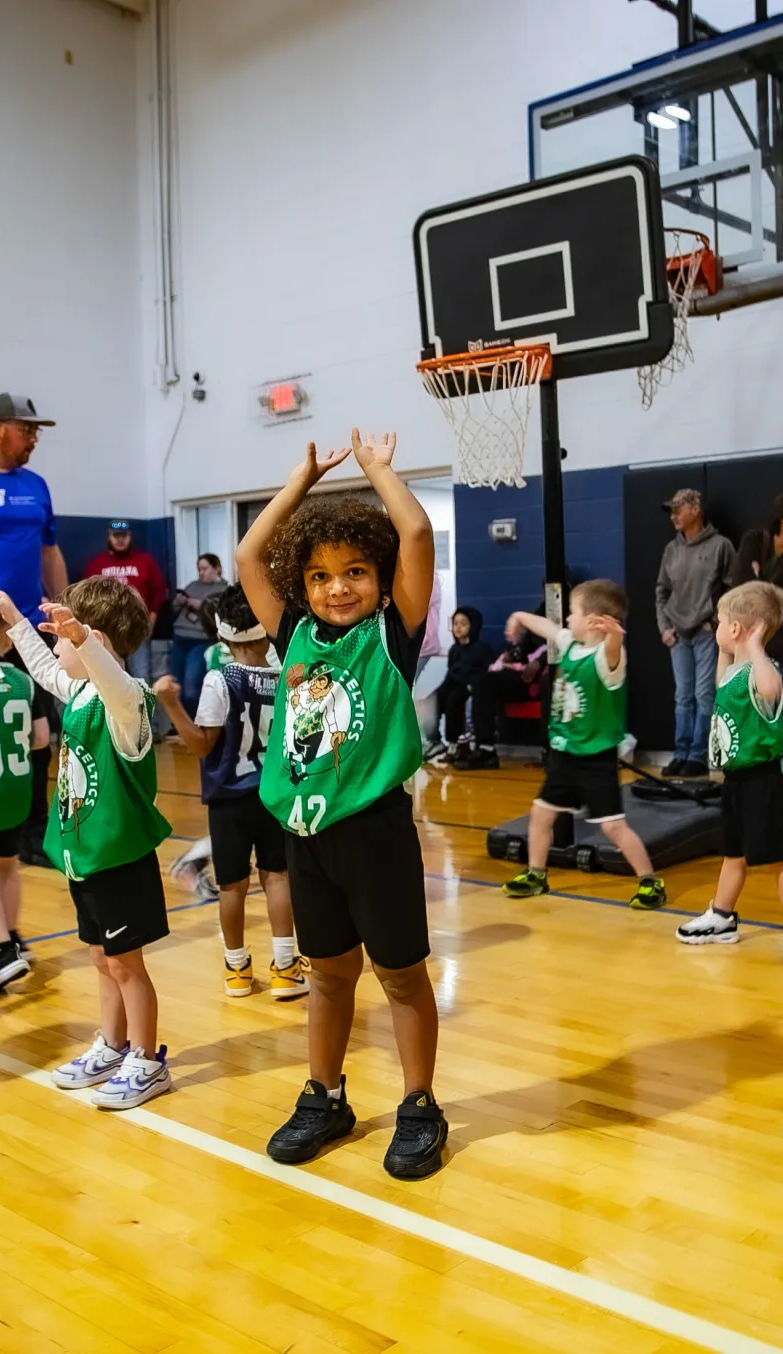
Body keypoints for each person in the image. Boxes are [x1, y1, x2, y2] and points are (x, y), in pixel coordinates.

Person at [237, 428, 448, 1180]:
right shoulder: (293, 632)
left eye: (355, 571)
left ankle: (420, 1103)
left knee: (400, 976)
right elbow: (247, 557)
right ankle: (325, 1096)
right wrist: (300, 478)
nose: (337, 588)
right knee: (327, 975)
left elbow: (416, 530)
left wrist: (377, 470)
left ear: (380, 577)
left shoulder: (393, 633)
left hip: (375, 834)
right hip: (306, 836)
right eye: (321, 576)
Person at [0, 577, 174, 1105]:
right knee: (101, 958)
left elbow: (113, 683)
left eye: (63, 638)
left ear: (95, 642)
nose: (56, 646)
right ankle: (113, 1044)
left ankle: (147, 1058)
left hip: (119, 858)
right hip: (83, 855)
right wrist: (15, 621)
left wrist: (83, 641)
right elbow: (45, 671)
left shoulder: (126, 700)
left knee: (127, 964)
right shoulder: (83, 692)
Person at [154, 583, 307, 1000]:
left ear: (221, 635)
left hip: (229, 796)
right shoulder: (285, 676)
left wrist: (170, 705)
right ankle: (286, 966)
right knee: (277, 878)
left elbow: (202, 745)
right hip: (273, 792)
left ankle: (237, 968)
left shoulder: (220, 679)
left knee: (232, 886)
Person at [501, 580, 667, 912]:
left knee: (612, 826)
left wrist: (615, 634)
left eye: (572, 612)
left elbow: (614, 651)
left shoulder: (606, 662)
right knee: (540, 815)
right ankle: (536, 874)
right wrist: (519, 615)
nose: (566, 620)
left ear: (593, 620)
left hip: (595, 760)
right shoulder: (571, 646)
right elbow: (547, 627)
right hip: (564, 756)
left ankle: (650, 881)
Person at [675, 581, 783, 964]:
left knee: (778, 858)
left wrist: (755, 646)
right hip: (733, 782)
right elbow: (723, 679)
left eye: (720, 622)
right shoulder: (735, 670)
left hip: (762, 781)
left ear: (736, 628)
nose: (715, 627)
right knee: (733, 854)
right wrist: (736, 647)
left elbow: (770, 690)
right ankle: (722, 918)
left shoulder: (761, 670)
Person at [0, 393, 67, 867]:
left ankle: (32, 835)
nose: (34, 438)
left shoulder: (36, 486)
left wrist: (65, 610)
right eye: (26, 428)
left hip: (28, 634)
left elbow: (49, 553)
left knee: (38, 736)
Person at [0, 597, 50, 992]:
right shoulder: (24, 681)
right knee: (8, 866)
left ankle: (1, 952)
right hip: (17, 789)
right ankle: (15, 937)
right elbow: (41, 739)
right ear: (7, 639)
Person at [656, 489, 735, 779]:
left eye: (678, 509)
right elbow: (661, 591)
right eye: (671, 511)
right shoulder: (671, 550)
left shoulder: (721, 546)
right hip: (678, 635)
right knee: (682, 696)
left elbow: (732, 589)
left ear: (696, 509)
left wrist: (715, 622)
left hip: (704, 633)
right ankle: (680, 752)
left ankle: (698, 755)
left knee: (704, 694)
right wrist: (664, 627)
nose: (674, 516)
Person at [734, 492, 783, 683]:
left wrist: (759, 580)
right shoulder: (754, 539)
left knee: (775, 691)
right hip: (748, 627)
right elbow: (742, 585)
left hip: (780, 630)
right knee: (748, 690)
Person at [456, 622, 548, 771]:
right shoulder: (539, 615)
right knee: (483, 682)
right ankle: (486, 749)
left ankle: (551, 752)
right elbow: (525, 642)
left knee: (550, 681)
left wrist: (541, 661)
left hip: (550, 671)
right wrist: (514, 652)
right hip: (523, 673)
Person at [83, 521, 166, 684]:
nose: (120, 540)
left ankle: (143, 710)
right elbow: (86, 597)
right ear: (108, 537)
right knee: (108, 677)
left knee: (141, 676)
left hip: (137, 629)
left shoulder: (145, 561)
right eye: (116, 536)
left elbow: (159, 592)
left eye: (124, 536)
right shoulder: (96, 564)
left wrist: (151, 620)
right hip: (106, 631)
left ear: (130, 537)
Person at [427, 607, 494, 763]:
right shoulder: (454, 650)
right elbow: (450, 675)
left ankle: (455, 744)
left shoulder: (482, 649)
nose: (458, 627)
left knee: (453, 700)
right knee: (434, 699)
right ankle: (435, 741)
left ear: (473, 625)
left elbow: (484, 676)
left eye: (463, 623)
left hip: (471, 688)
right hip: (454, 685)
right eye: (455, 623)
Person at [172, 553, 227, 717]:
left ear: (216, 569)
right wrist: (178, 602)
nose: (201, 573)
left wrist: (203, 606)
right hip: (180, 636)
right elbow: (173, 610)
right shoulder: (193, 585)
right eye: (199, 569)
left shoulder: (225, 589)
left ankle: (196, 722)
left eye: (204, 568)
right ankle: (178, 725)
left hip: (202, 640)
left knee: (192, 685)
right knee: (176, 685)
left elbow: (223, 614)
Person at [414, 572, 442, 681]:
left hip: (425, 642)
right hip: (419, 641)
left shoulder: (431, 578)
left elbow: (423, 602)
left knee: (408, 683)